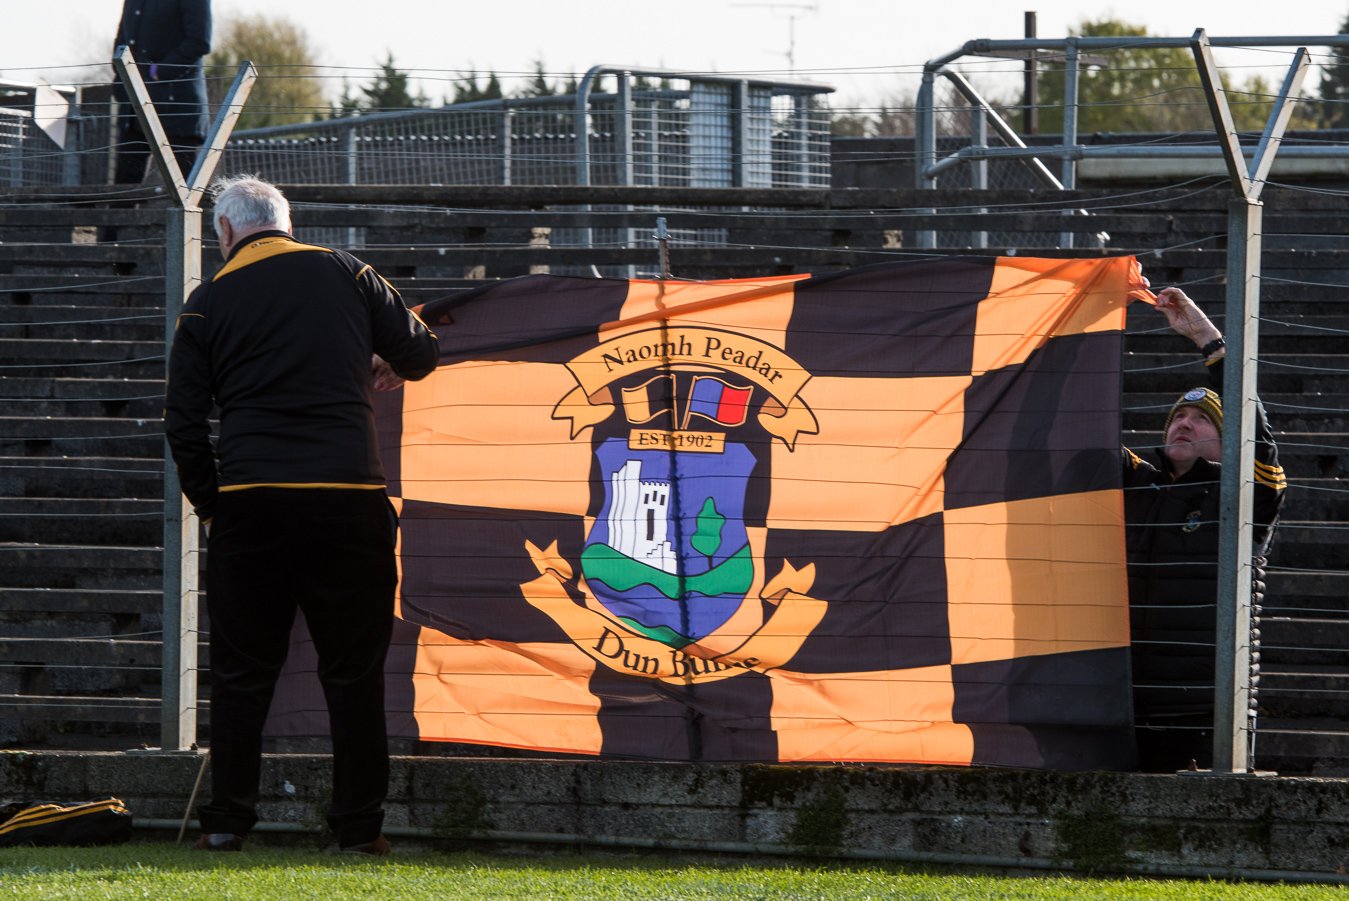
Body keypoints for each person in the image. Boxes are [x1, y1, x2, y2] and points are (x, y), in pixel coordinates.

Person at [164, 175, 439, 853]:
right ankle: (356, 829)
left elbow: (183, 424)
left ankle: (227, 822)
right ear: (285, 221)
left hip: (253, 504)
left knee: (240, 672)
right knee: (352, 671)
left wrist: (215, 505)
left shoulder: (207, 301)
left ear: (225, 232)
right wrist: (387, 362)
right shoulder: (348, 271)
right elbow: (422, 353)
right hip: (348, 500)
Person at [1123, 286, 1287, 773]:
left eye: (1201, 419)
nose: (1184, 424)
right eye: (1178, 416)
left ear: (1227, 437)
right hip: (1119, 701)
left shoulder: (1247, 493)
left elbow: (1256, 436)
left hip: (1205, 710)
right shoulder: (1134, 481)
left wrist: (1207, 340)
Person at [112, 0, 212, 183]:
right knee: (125, 186)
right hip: (134, 106)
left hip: (176, 105)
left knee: (186, 185)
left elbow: (199, 42)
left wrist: (159, 72)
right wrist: (121, 78)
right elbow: (122, 40)